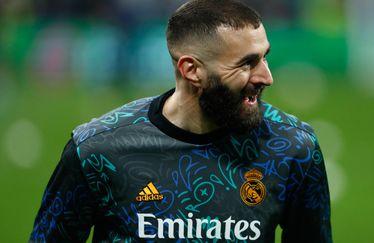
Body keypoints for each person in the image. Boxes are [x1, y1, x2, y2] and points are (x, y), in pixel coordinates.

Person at [30, 0, 332, 242]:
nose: (267, 76)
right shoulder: (97, 152)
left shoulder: (292, 148)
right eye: (246, 63)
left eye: (264, 57)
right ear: (191, 70)